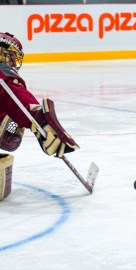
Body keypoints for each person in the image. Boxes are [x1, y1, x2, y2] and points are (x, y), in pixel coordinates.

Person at [0, 32, 79, 200]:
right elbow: (16, 97)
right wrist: (39, 119)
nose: (13, 62)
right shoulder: (3, 76)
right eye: (12, 56)